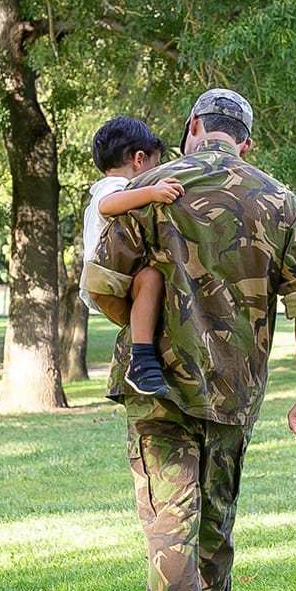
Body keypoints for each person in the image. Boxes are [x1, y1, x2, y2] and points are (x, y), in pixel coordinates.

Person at [81, 88, 296, 591]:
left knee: (171, 528)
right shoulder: (281, 201)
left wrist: (147, 328)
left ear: (193, 127)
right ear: (245, 142)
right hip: (233, 391)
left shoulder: (151, 186)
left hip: (156, 390)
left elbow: (101, 284)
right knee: (215, 523)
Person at [82, 116, 185, 396]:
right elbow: (108, 205)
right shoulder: (112, 186)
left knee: (153, 312)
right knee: (151, 278)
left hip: (111, 281)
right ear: (139, 159)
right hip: (107, 279)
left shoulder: (118, 187)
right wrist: (153, 191)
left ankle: (146, 362)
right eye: (155, 164)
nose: (157, 171)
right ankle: (140, 362)